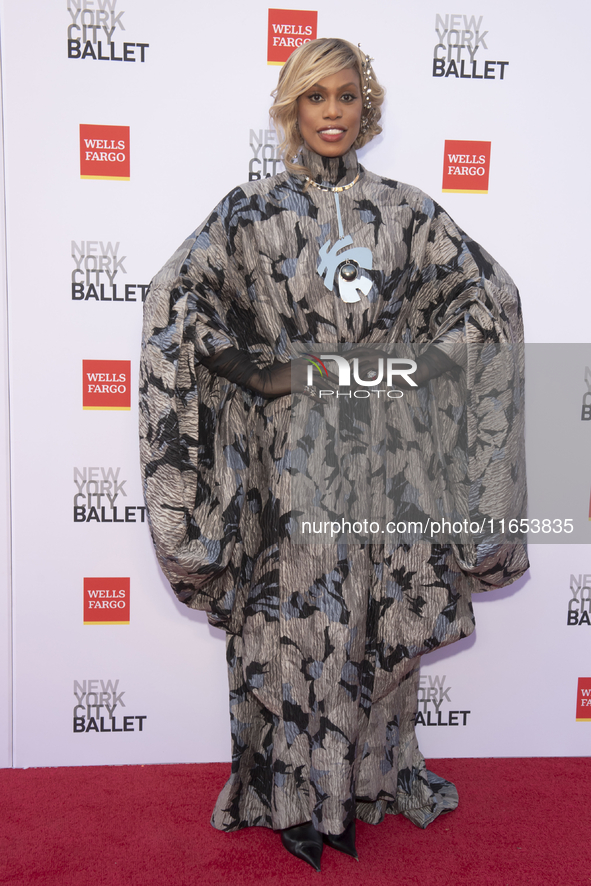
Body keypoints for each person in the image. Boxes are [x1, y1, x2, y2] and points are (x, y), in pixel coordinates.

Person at [139, 38, 528, 872]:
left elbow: (486, 301)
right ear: (292, 108)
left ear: (365, 106)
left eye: (346, 96)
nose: (332, 112)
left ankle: (357, 788)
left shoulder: (406, 212)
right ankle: (290, 801)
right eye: (315, 97)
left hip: (383, 458)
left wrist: (408, 370)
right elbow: (174, 298)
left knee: (362, 617)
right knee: (289, 628)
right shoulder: (248, 212)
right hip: (288, 462)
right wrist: (255, 369)